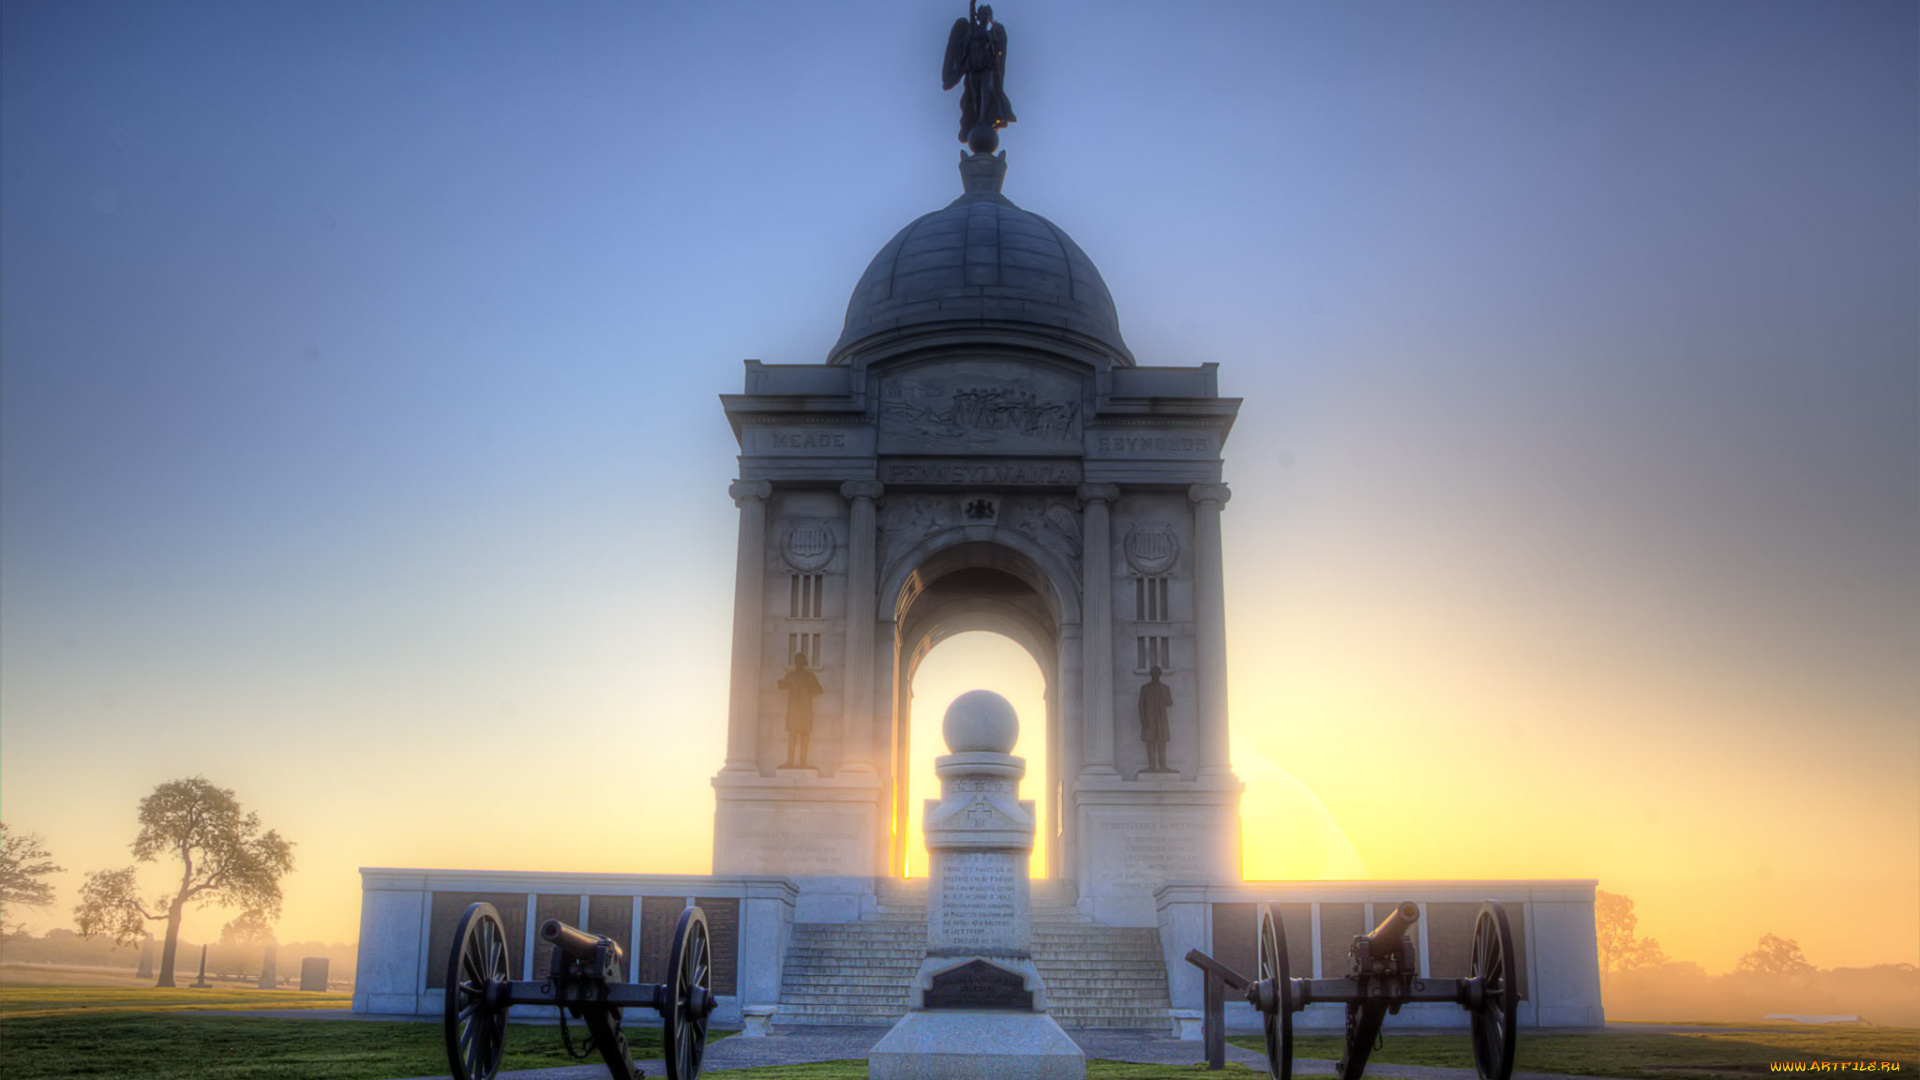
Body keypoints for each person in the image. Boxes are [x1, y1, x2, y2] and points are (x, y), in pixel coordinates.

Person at [942, 2, 1014, 147]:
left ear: (990, 17)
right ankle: (977, 119)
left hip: (986, 68)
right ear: (978, 16)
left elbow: (999, 51)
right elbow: (971, 17)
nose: (985, 17)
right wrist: (972, 3)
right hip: (973, 68)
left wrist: (995, 46)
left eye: (987, 15)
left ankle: (982, 119)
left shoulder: (992, 33)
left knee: (985, 92)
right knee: (974, 95)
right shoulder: (972, 30)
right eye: (982, 15)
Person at [779, 651, 824, 767]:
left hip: (805, 709)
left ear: (804, 662)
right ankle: (790, 762)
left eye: (801, 660)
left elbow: (819, 690)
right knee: (792, 735)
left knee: (805, 735)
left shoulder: (809, 676)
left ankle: (803, 762)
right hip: (794, 710)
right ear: (795, 662)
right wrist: (780, 682)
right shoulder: (791, 675)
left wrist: (807, 690)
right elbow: (782, 685)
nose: (799, 663)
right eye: (797, 660)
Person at [1138, 666, 1173, 772]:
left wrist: (1163, 697)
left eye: (1157, 673)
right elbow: (1141, 705)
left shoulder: (1165, 688)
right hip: (1150, 720)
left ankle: (1163, 765)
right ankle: (1152, 766)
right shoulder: (1145, 688)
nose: (1155, 675)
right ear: (1151, 674)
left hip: (1161, 720)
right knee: (1150, 743)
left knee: (1162, 743)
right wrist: (1143, 720)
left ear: (1160, 675)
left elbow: (1170, 703)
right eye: (1153, 673)